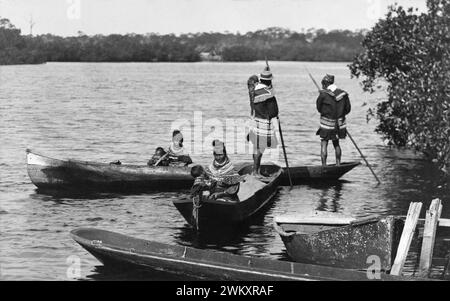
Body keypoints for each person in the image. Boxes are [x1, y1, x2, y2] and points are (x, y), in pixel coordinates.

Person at [247, 66, 279, 176]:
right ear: (269, 80)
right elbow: (274, 111)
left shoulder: (256, 89)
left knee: (256, 146)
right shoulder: (267, 92)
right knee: (260, 148)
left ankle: (256, 170)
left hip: (255, 121)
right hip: (264, 123)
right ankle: (256, 172)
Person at [316, 74, 351, 166]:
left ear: (325, 84)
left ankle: (324, 166)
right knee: (336, 143)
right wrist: (340, 116)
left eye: (323, 84)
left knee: (324, 143)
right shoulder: (343, 94)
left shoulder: (323, 94)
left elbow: (319, 108)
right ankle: (338, 164)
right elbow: (348, 109)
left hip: (326, 123)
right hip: (340, 123)